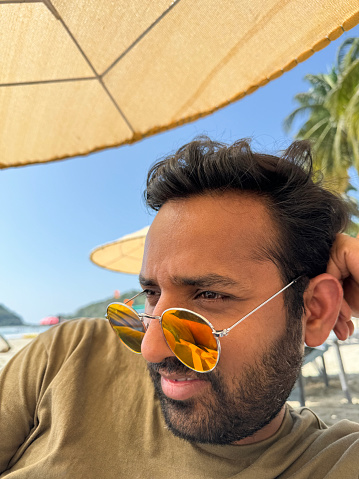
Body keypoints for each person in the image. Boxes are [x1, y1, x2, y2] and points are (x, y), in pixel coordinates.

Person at [0, 138, 358, 478]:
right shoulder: (68, 353)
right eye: (152, 293)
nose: (149, 349)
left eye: (208, 295)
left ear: (313, 311)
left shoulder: (335, 462)